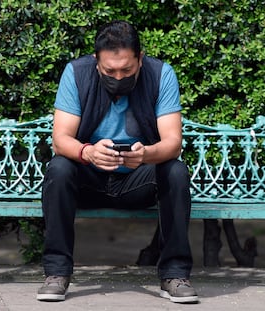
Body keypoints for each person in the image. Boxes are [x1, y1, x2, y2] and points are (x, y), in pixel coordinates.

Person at [36, 20, 198, 304]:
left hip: (138, 179)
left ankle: (175, 274)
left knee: (175, 171)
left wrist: (146, 154)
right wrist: (88, 152)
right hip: (90, 178)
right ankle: (57, 273)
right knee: (59, 168)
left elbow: (173, 143)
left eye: (127, 70)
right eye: (110, 71)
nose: (119, 76)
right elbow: (61, 139)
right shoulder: (76, 73)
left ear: (140, 58)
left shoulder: (161, 74)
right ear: (96, 61)